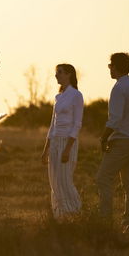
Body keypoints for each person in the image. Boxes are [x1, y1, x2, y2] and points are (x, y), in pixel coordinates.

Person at [96, 52, 129, 232]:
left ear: (116, 66)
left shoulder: (119, 88)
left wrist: (103, 137)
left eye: (110, 65)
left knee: (103, 177)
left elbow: (115, 119)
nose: (109, 69)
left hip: (122, 139)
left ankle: (104, 220)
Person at [40, 64, 83, 219]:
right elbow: (53, 125)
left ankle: (75, 211)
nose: (56, 75)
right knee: (54, 181)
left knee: (65, 179)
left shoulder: (76, 95)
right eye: (56, 72)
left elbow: (77, 124)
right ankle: (60, 215)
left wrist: (67, 149)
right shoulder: (58, 97)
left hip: (67, 141)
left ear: (69, 74)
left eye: (60, 72)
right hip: (55, 142)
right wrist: (46, 150)